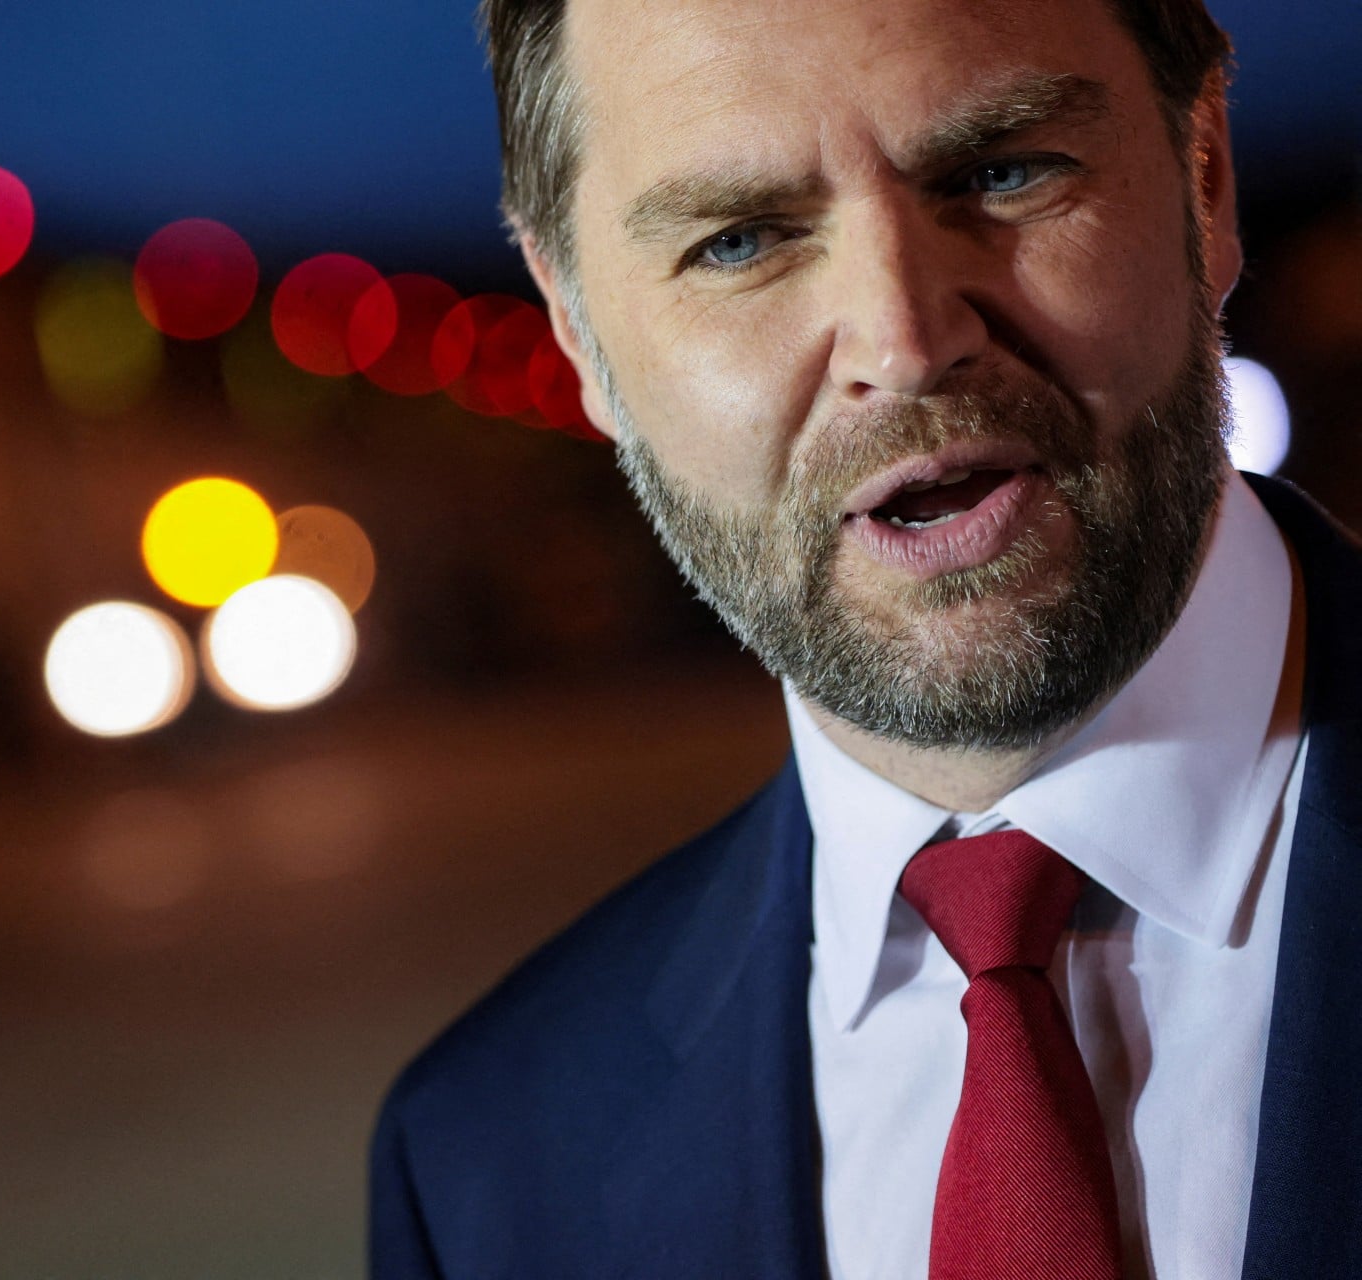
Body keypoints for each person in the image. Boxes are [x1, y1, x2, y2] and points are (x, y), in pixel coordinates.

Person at [368, 0, 1362, 1274]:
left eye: (1003, 172)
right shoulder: (481, 1163)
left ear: (1204, 178)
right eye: (739, 241)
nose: (903, 343)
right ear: (578, 330)